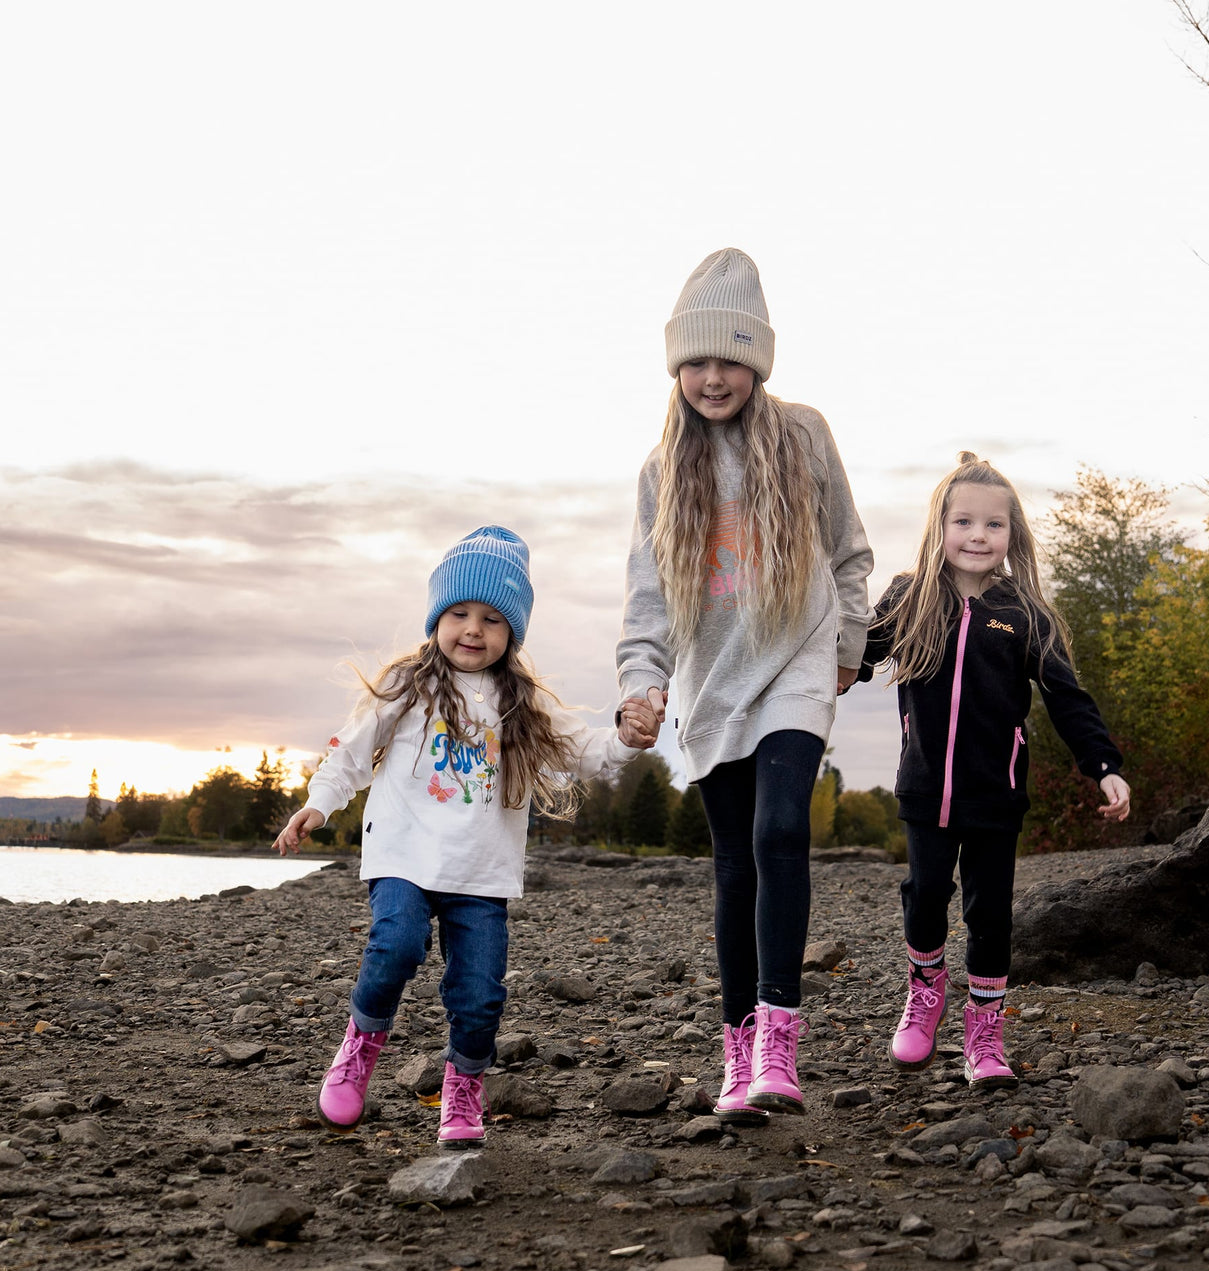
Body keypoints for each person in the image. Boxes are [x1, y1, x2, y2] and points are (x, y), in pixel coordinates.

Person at [275, 526, 656, 1146]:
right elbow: (350, 752)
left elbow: (583, 751)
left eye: (491, 619)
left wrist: (623, 740)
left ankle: (463, 1088)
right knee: (395, 945)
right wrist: (318, 806)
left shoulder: (520, 702)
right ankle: (360, 1047)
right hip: (402, 852)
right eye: (459, 613)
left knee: (479, 996)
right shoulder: (407, 687)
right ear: (436, 618)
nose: (473, 630)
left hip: (481, 870)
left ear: (512, 633)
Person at [617, 248, 874, 1123]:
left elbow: (848, 550)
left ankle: (779, 1042)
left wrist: (848, 641)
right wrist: (642, 685)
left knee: (780, 830)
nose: (713, 376)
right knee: (733, 868)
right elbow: (648, 598)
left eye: (730, 358)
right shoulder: (660, 473)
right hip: (713, 682)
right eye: (697, 360)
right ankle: (735, 1051)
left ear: (757, 363)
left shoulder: (801, 434)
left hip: (796, 658)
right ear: (676, 368)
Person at [855, 452, 1131, 1088]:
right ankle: (925, 994)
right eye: (964, 522)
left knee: (990, 912)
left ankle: (985, 1030)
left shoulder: (1024, 614)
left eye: (993, 526)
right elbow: (856, 656)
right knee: (925, 894)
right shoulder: (910, 597)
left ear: (1013, 536)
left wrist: (1104, 765)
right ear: (940, 528)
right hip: (924, 788)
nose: (978, 537)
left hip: (996, 795)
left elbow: (1067, 697)